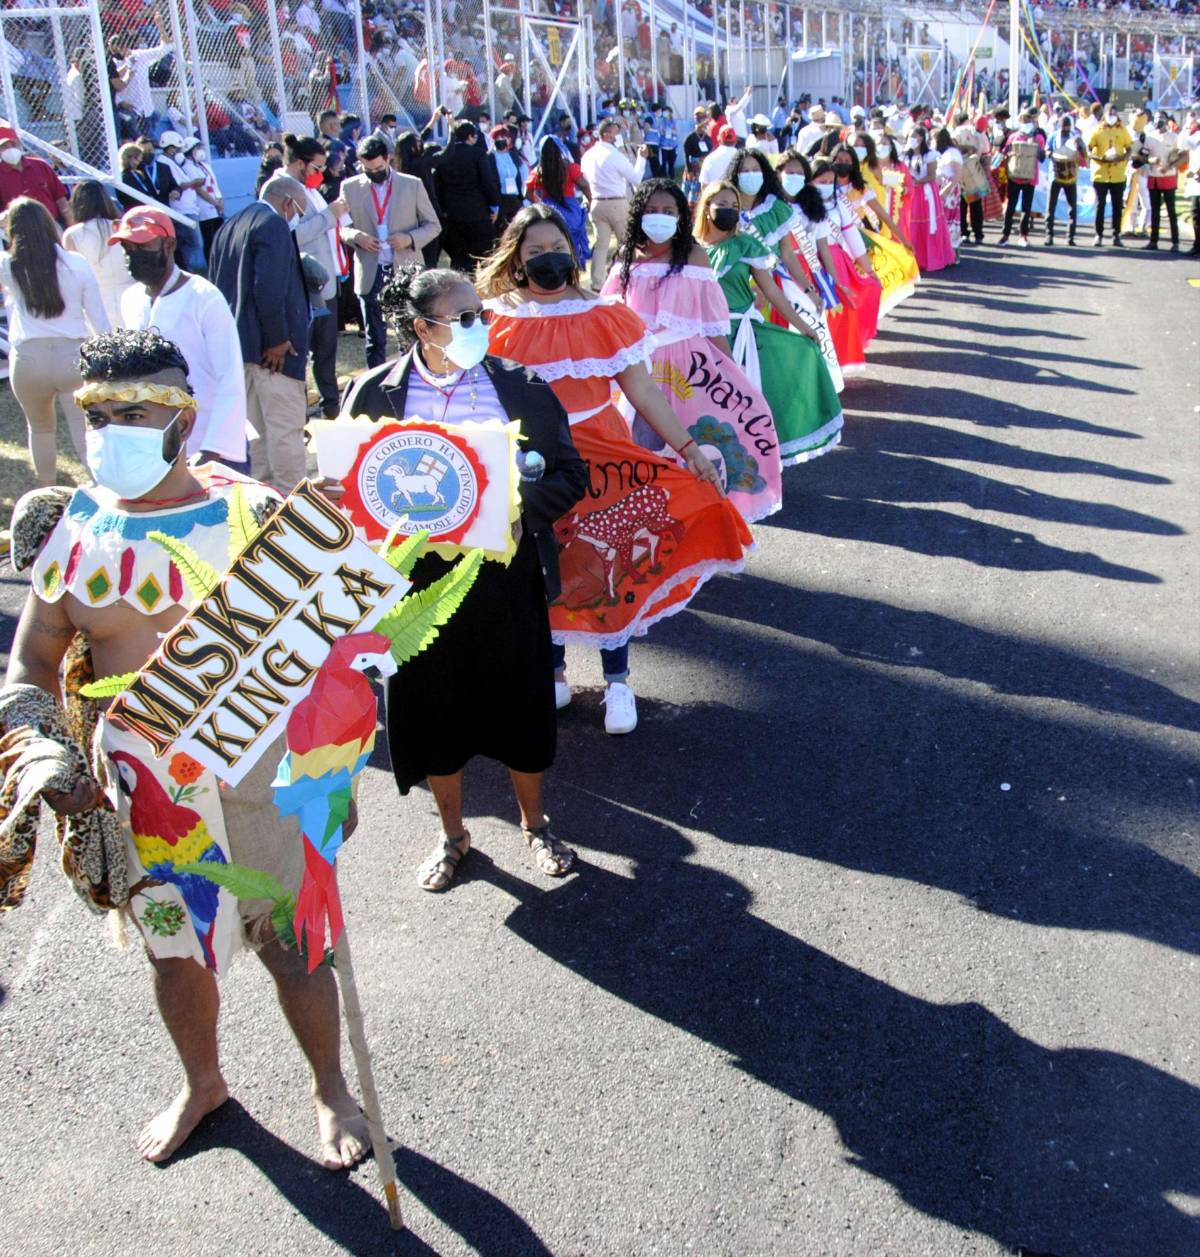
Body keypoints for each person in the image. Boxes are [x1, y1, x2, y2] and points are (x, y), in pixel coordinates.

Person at [3, 327, 369, 1171]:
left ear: (187, 416)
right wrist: (47, 750)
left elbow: (342, 645)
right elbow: (30, 659)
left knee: (294, 946)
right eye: (100, 413)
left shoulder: (256, 515)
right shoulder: (71, 529)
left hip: (262, 785)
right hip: (147, 798)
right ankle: (204, 1082)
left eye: (140, 410)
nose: (115, 429)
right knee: (174, 952)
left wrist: (330, 771)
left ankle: (330, 1087)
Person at [340, 266, 588, 891]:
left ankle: (536, 825)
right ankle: (454, 837)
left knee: (520, 709)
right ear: (423, 328)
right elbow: (348, 489)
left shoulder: (523, 387)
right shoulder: (374, 394)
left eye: (483, 314)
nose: (483, 326)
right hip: (415, 589)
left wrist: (505, 508)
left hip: (505, 578)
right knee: (431, 716)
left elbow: (570, 474)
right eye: (466, 318)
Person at [479, 205, 752, 735]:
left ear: (573, 251)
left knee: (611, 566)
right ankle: (554, 673)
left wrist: (690, 449)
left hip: (605, 461)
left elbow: (644, 391)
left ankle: (618, 683)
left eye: (556, 248)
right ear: (515, 259)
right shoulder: (495, 320)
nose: (547, 260)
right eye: (534, 252)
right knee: (546, 564)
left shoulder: (604, 314)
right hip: (532, 468)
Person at [604, 179, 784, 526]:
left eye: (668, 211)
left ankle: (693, 523)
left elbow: (715, 326)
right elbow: (608, 320)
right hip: (639, 373)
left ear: (681, 217)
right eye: (652, 211)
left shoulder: (694, 256)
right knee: (644, 450)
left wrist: (734, 378)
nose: (659, 218)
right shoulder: (625, 258)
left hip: (691, 371)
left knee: (695, 447)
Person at [695, 181, 842, 465]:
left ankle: (753, 465)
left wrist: (804, 327)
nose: (728, 211)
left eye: (734, 207)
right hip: (702, 339)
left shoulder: (745, 245)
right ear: (706, 207)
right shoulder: (691, 250)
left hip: (743, 336)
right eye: (722, 205)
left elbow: (773, 292)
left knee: (748, 403)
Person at [113, 207, 248, 469]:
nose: (132, 256)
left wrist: (213, 449)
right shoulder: (130, 300)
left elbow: (230, 377)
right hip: (156, 448)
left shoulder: (203, 297)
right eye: (127, 248)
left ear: (169, 245)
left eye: (142, 247)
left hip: (209, 446)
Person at [208, 175, 311, 493]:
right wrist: (278, 339)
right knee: (284, 431)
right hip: (273, 353)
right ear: (286, 203)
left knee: (257, 434)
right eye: (298, 212)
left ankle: (261, 503)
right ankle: (294, 510)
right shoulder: (273, 224)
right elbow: (268, 287)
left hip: (239, 348)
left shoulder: (228, 227)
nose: (295, 219)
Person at [0, 197, 109, 485]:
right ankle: (101, 489)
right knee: (83, 430)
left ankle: (46, 492)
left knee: (40, 430)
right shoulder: (75, 263)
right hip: (71, 355)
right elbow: (99, 319)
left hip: (28, 359)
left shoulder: (8, 267)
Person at [341, 136, 441, 369]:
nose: (374, 173)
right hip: (370, 268)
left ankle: (409, 376)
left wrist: (409, 238)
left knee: (407, 333)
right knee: (374, 337)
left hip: (404, 268)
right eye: (368, 170)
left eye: (378, 168)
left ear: (388, 159)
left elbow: (433, 225)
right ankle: (375, 383)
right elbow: (342, 227)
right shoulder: (350, 188)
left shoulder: (411, 184)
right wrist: (357, 237)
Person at [282, 134, 349, 419]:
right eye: (317, 168)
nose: (321, 175)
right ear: (300, 164)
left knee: (326, 351)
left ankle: (330, 407)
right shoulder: (281, 191)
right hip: (305, 287)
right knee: (303, 355)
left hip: (326, 283)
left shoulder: (310, 189)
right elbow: (292, 237)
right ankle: (298, 414)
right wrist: (329, 216)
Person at [432, 121, 502, 274]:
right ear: (470, 137)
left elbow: (438, 186)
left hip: (454, 214)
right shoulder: (478, 154)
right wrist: (494, 205)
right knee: (486, 258)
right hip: (478, 213)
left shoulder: (444, 155)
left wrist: (444, 209)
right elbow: (487, 183)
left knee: (460, 259)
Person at [63, 181, 134, 328]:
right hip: (131, 297)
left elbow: (71, 277)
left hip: (96, 304)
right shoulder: (123, 227)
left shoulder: (73, 235)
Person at [580, 117, 639, 289]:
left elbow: (585, 179)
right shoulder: (613, 154)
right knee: (626, 243)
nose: (618, 136)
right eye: (616, 133)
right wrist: (641, 160)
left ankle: (597, 283)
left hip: (597, 202)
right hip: (616, 202)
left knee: (601, 245)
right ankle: (630, 279)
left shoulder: (589, 155)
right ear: (607, 135)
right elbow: (635, 178)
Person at [526, 134, 593, 274]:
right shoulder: (570, 167)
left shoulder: (538, 171)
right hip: (570, 207)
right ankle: (576, 270)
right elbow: (584, 185)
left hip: (549, 210)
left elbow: (528, 192)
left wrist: (540, 204)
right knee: (574, 242)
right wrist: (589, 201)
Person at [899, 127, 955, 272]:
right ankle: (914, 259)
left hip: (925, 194)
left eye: (914, 136)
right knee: (911, 225)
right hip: (910, 193)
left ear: (921, 138)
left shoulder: (929, 155)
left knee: (929, 225)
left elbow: (931, 175)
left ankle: (932, 258)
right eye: (909, 136)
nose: (911, 139)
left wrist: (915, 182)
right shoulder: (905, 156)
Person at [0, 126, 70, 223]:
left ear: (19, 144)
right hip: (20, 229)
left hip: (52, 223)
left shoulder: (41, 166)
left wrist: (70, 225)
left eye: (13, 144)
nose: (10, 149)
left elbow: (60, 198)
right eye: (4, 146)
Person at [998, 111, 1046, 248]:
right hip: (1014, 176)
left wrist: (1035, 146)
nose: (1025, 124)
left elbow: (1042, 158)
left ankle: (1023, 235)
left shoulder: (1038, 138)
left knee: (1026, 207)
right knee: (1011, 206)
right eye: (1023, 121)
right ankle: (1005, 234)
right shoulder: (1013, 137)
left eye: (1028, 121)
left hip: (1030, 177)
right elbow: (1005, 152)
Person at [1088, 104, 1133, 247]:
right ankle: (1098, 235)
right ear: (1104, 114)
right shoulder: (1097, 130)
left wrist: (1124, 158)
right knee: (1100, 205)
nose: (1112, 116)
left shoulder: (1122, 129)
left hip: (1118, 173)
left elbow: (1129, 147)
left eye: (1114, 113)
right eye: (1109, 113)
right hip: (1100, 173)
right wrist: (1099, 158)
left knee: (1117, 205)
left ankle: (1116, 235)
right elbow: (1088, 150)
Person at [1143, 114, 1182, 251]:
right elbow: (1144, 155)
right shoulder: (1150, 136)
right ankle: (1153, 241)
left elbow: (1180, 156)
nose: (1158, 121)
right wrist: (1149, 160)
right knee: (1155, 211)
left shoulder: (1174, 137)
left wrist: (1170, 166)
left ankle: (1175, 242)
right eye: (1156, 118)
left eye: (1161, 118)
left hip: (1168, 177)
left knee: (1171, 211)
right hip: (1154, 178)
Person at [182, 137, 225, 259]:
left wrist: (220, 200)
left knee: (220, 237)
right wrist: (214, 202)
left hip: (215, 205)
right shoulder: (187, 167)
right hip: (204, 208)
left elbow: (214, 184)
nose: (200, 151)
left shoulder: (205, 165)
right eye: (197, 148)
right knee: (209, 238)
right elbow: (198, 189)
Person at [1047, 115, 1085, 247]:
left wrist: (1080, 146)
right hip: (1055, 175)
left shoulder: (1075, 136)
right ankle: (1049, 236)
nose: (1065, 129)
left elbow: (1084, 152)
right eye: (1063, 127)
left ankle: (1070, 237)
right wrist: (1051, 154)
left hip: (1070, 176)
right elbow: (1047, 150)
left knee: (1072, 207)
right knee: (1051, 207)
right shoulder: (1053, 136)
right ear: (1059, 126)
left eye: (1067, 127)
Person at [934, 128, 964, 258]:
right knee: (944, 220)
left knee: (950, 221)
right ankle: (944, 252)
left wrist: (945, 191)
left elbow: (956, 175)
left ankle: (952, 252)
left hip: (949, 189)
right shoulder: (945, 153)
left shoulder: (952, 153)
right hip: (943, 187)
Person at [683, 107, 713, 205]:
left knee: (698, 192)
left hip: (703, 168)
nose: (700, 120)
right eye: (697, 117)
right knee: (687, 192)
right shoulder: (690, 137)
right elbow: (686, 155)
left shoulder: (708, 138)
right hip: (693, 168)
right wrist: (689, 170)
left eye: (701, 117)